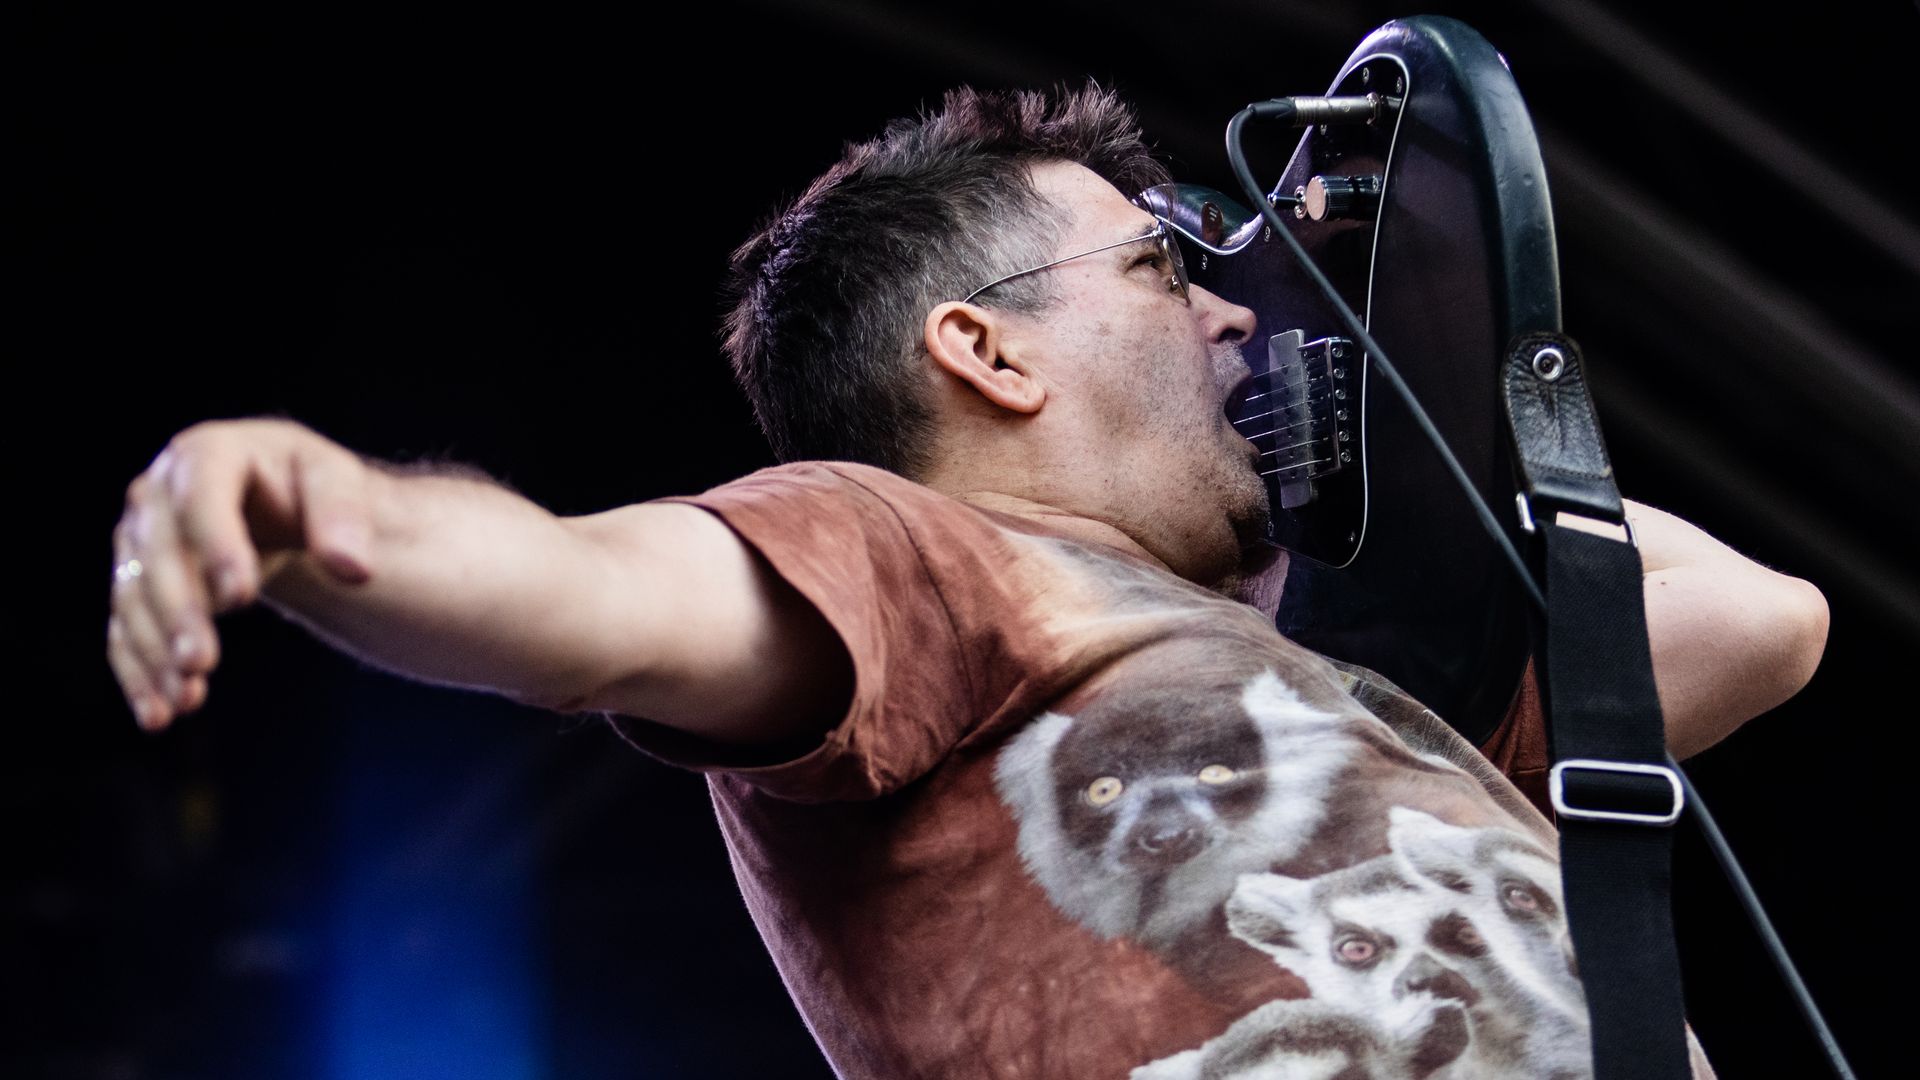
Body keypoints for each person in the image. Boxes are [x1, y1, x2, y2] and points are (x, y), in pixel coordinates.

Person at [106, 81, 1828, 1078]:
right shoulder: (923, 552)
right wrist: (329, 504)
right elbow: (590, 595)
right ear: (985, 351)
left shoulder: (1340, 668)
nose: (1242, 308)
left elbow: (1755, 622)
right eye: (1170, 265)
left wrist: (1408, 401)